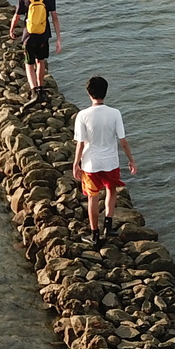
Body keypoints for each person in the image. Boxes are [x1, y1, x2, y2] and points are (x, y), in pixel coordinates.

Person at [72, 75, 136, 246]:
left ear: (88, 93)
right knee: (111, 190)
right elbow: (123, 141)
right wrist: (131, 160)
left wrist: (76, 163)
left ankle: (94, 235)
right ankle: (108, 224)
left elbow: (80, 143)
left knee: (92, 198)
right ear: (105, 93)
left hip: (90, 163)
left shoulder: (82, 115)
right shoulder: (115, 113)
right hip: (111, 162)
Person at [9, 0, 62, 101]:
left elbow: (17, 16)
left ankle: (34, 91)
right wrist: (58, 39)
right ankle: (41, 88)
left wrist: (12, 29)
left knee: (29, 63)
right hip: (43, 34)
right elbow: (55, 18)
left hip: (29, 35)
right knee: (41, 61)